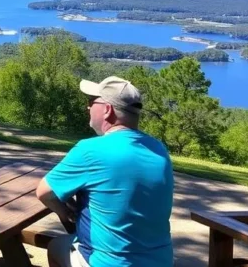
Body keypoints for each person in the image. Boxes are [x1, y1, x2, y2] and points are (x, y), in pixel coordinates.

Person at [36, 76, 173, 267]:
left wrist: (66, 212)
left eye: (91, 102)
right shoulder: (159, 149)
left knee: (56, 246)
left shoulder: (90, 150)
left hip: (108, 263)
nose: (87, 108)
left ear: (107, 110)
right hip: (160, 261)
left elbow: (44, 192)